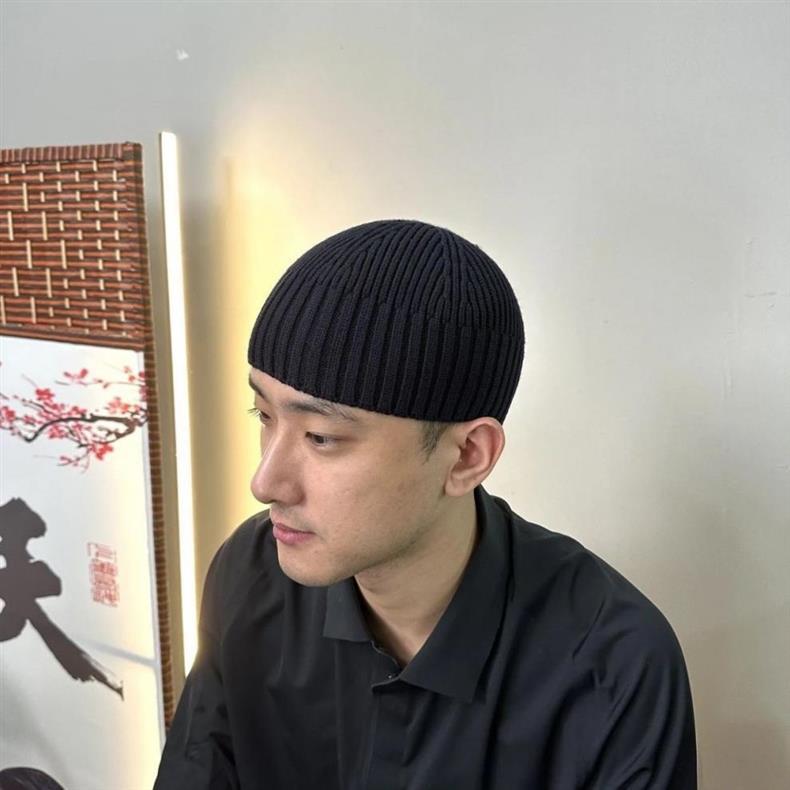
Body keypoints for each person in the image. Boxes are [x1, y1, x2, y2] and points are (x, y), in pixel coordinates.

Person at [153, 219, 696, 789]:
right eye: (263, 415)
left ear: (467, 457)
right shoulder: (253, 572)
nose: (266, 482)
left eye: (322, 437)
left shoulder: (613, 664)